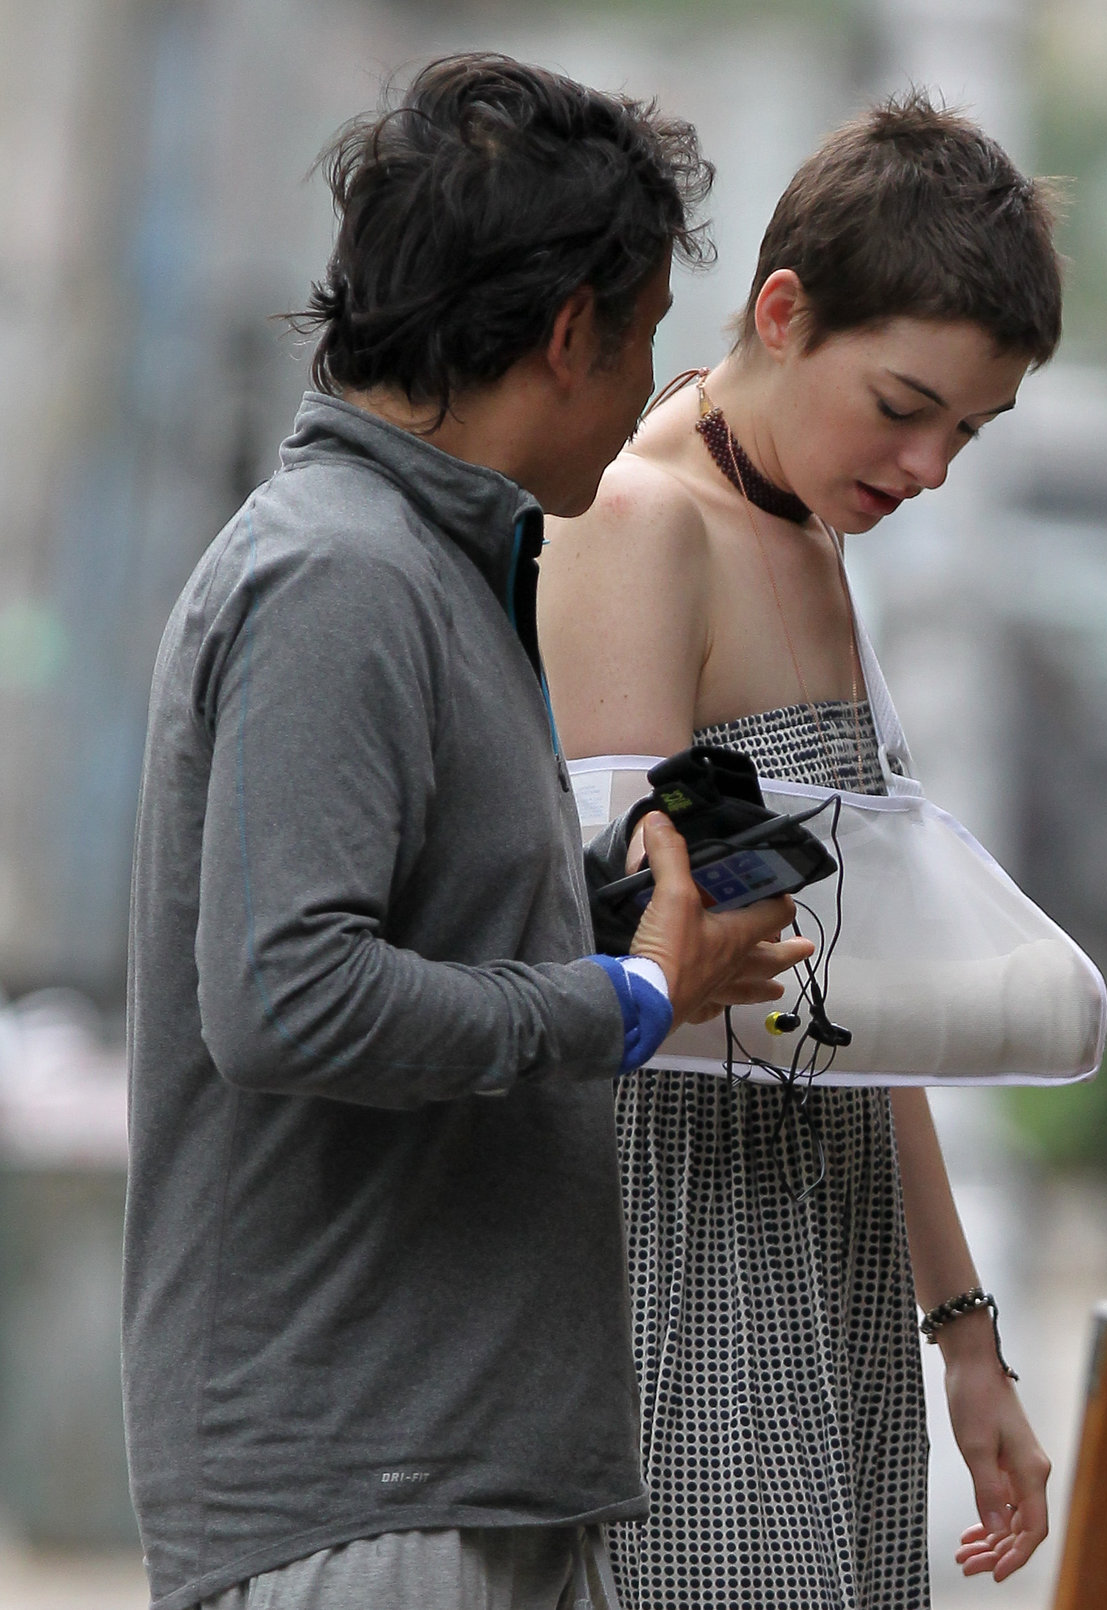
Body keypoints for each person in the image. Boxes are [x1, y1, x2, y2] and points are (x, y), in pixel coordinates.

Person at [122, 54, 812, 1610]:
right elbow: (288, 995)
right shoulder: (340, 576)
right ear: (570, 333)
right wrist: (630, 1001)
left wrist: (602, 904)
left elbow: (398, 936)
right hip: (362, 1505)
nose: (649, 398)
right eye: (640, 343)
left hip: (452, 1484)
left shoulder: (431, 564)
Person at [538, 93, 1063, 1609]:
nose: (931, 467)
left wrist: (964, 1333)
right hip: (680, 1261)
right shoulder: (647, 524)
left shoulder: (809, 534)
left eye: (967, 429)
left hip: (820, 1258)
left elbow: (848, 980)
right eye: (904, 405)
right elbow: (660, 947)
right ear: (782, 310)